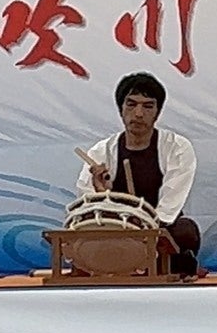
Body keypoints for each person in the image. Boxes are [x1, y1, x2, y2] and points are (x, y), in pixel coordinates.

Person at [76, 72, 200, 275]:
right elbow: (86, 206)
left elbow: (170, 206)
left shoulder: (176, 147)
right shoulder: (101, 152)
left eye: (148, 106)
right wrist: (102, 195)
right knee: (83, 238)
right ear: (121, 109)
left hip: (158, 231)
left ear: (158, 112)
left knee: (185, 230)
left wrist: (141, 231)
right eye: (131, 104)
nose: (139, 114)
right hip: (115, 230)